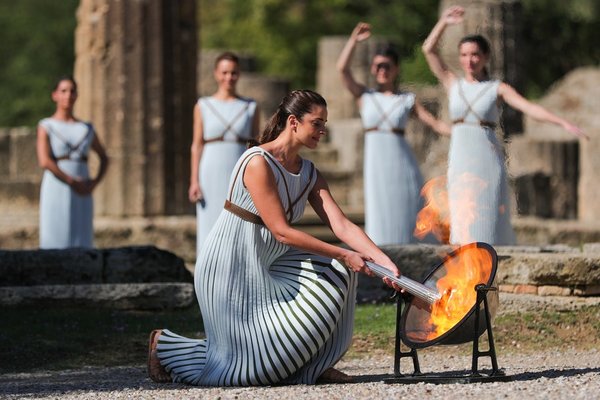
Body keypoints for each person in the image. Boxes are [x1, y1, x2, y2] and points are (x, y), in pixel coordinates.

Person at [148, 90, 401, 386]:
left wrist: (385, 263)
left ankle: (312, 365)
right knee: (250, 371)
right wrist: (344, 253)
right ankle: (165, 345)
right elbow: (281, 231)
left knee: (338, 274)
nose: (322, 131)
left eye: (324, 124)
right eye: (317, 123)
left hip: (270, 265)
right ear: (293, 122)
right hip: (230, 268)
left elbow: (342, 225)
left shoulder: (309, 172)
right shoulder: (258, 162)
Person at [422, 6, 588, 246]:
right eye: (465, 55)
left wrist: (562, 121)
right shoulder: (453, 84)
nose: (470, 60)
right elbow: (428, 49)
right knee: (461, 217)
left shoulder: (496, 88)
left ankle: (493, 267)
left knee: (488, 216)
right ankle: (466, 270)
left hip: (487, 158)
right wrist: (444, 23)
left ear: (486, 57)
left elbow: (528, 107)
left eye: (475, 54)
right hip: (460, 158)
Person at [337, 22, 450, 246]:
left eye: (387, 66)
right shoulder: (365, 96)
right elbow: (342, 70)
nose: (382, 70)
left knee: (406, 207)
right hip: (376, 162)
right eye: (378, 66)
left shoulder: (406, 100)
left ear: (396, 69)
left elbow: (434, 123)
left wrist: (465, 131)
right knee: (378, 208)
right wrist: (353, 41)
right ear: (372, 69)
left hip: (401, 161)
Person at [189, 51, 260, 256]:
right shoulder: (203, 105)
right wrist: (194, 180)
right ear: (216, 74)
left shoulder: (250, 106)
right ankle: (206, 276)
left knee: (238, 222)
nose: (229, 77)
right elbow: (196, 144)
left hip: (239, 169)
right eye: (225, 72)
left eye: (234, 73)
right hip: (210, 169)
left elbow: (256, 145)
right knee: (209, 223)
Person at [36, 75, 109, 249]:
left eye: (72, 91)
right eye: (63, 91)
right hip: (57, 184)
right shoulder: (47, 125)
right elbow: (44, 160)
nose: (68, 95)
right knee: (55, 236)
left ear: (77, 95)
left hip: (83, 186)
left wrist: (94, 182)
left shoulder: (86, 128)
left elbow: (104, 157)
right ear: (55, 95)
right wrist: (71, 181)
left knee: (81, 234)